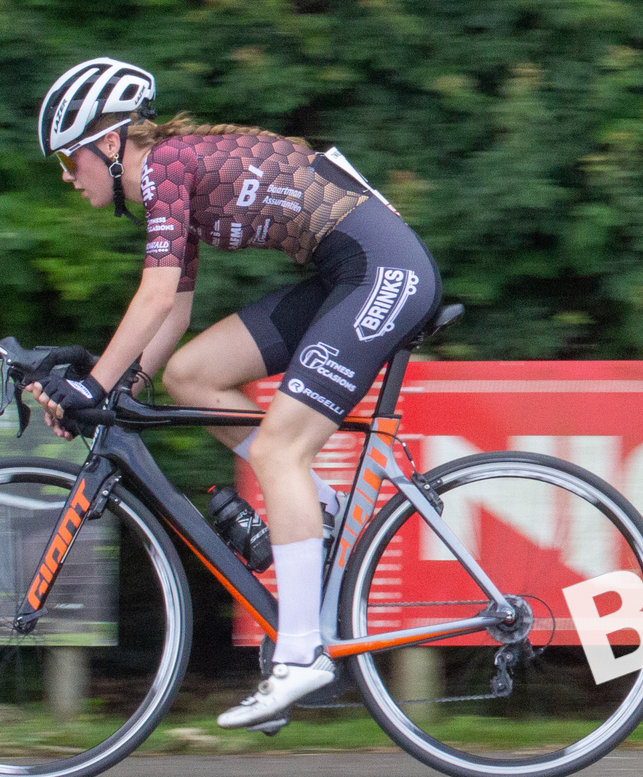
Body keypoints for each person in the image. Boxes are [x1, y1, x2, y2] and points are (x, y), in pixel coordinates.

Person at [29, 58, 442, 728]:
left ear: (108, 144)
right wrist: (121, 389)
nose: (66, 177)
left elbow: (154, 294)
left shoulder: (163, 167)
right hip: (345, 271)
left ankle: (303, 654)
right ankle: (325, 507)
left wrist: (91, 384)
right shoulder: (170, 179)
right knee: (190, 374)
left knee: (280, 453)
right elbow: (174, 314)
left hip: (381, 271)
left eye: (68, 159)